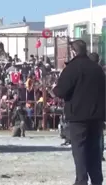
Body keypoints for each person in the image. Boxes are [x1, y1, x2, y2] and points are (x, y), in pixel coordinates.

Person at [52, 40, 106, 185]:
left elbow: (61, 91)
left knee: (80, 149)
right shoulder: (97, 68)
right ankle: (97, 180)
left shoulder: (72, 68)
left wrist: (54, 90)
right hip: (97, 116)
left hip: (78, 116)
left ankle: (81, 180)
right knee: (95, 150)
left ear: (73, 51)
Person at [89, 52, 105, 161]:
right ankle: (99, 154)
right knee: (99, 133)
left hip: (86, 107)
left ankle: (91, 154)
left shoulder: (84, 72)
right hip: (99, 108)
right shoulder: (101, 73)